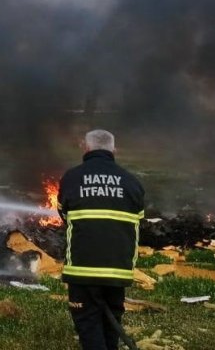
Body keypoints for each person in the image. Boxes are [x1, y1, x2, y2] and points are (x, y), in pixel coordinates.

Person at [57, 129, 145, 350]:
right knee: (111, 321)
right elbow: (138, 219)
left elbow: (63, 215)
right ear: (114, 150)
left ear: (85, 148)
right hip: (118, 269)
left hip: (83, 268)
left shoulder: (72, 178)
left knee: (88, 322)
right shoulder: (132, 182)